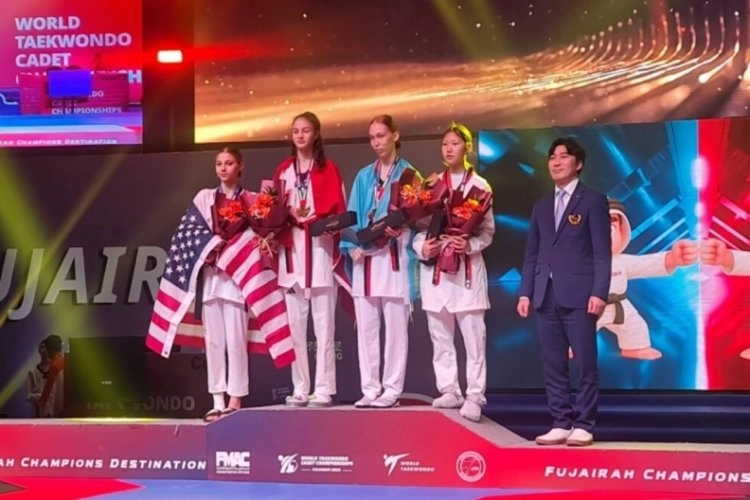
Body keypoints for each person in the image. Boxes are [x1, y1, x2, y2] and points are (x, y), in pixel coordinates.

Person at [146, 146, 295, 423]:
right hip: (212, 279)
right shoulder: (204, 197)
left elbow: (259, 237)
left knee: (236, 341)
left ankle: (235, 397)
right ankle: (216, 398)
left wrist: (249, 244)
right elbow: (188, 232)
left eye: (229, 163)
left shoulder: (253, 200)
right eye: (219, 163)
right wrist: (215, 244)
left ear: (240, 167)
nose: (223, 168)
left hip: (237, 282)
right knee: (213, 342)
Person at [516, 137, 611, 446]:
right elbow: (532, 253)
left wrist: (600, 291)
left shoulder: (593, 200)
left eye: (563, 156)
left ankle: (584, 423)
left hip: (581, 294)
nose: (556, 162)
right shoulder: (542, 205)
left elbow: (602, 253)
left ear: (578, 163)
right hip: (545, 293)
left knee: (585, 363)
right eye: (552, 157)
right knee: (553, 363)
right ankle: (560, 422)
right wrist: (525, 292)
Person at [413, 123, 494, 422]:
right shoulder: (431, 185)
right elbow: (418, 228)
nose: (448, 149)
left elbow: (488, 232)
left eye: (455, 143)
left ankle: (475, 394)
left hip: (466, 272)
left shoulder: (481, 187)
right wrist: (423, 246)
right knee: (440, 335)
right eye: (445, 144)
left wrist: (468, 243)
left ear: (467, 148)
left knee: (474, 338)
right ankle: (449, 389)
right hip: (436, 270)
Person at [340, 114, 419, 408]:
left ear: (395, 136)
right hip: (365, 260)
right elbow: (351, 215)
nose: (376, 142)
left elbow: (417, 218)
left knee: (396, 330)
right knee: (367, 329)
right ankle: (370, 389)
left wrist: (402, 229)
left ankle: (391, 390)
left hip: (394, 258)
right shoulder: (364, 176)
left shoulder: (410, 175)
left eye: (381, 136)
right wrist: (350, 245)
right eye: (372, 137)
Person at [274, 112, 347, 408]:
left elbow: (340, 211)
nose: (300, 135)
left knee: (324, 327)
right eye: (296, 131)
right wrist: (284, 216)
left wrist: (325, 223)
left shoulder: (329, 168)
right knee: (295, 327)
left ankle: (324, 388)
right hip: (292, 253)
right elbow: (273, 210)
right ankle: (300, 387)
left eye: (305, 130)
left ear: (316, 134)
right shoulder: (283, 170)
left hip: (319, 251)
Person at [36, 334, 64, 418]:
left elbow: (48, 386)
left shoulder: (54, 364)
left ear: (50, 350)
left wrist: (41, 402)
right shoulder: (65, 360)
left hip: (60, 405)